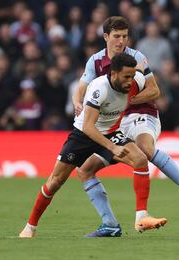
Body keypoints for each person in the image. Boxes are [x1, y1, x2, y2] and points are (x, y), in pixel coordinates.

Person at [73, 16, 179, 232]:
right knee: (85, 170)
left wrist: (127, 101)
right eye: (117, 36)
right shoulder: (96, 61)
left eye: (125, 36)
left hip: (141, 114)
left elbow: (154, 91)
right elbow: (81, 87)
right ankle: (109, 225)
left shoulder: (136, 57)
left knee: (145, 149)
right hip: (114, 124)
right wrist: (77, 102)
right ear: (106, 37)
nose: (121, 41)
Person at [19, 53, 166, 238]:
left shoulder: (134, 79)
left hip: (110, 132)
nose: (130, 82)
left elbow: (154, 90)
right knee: (55, 181)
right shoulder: (99, 88)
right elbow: (88, 126)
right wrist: (112, 148)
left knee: (140, 159)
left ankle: (141, 217)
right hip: (83, 136)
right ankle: (30, 226)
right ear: (113, 74)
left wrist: (145, 74)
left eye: (132, 76)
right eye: (126, 77)